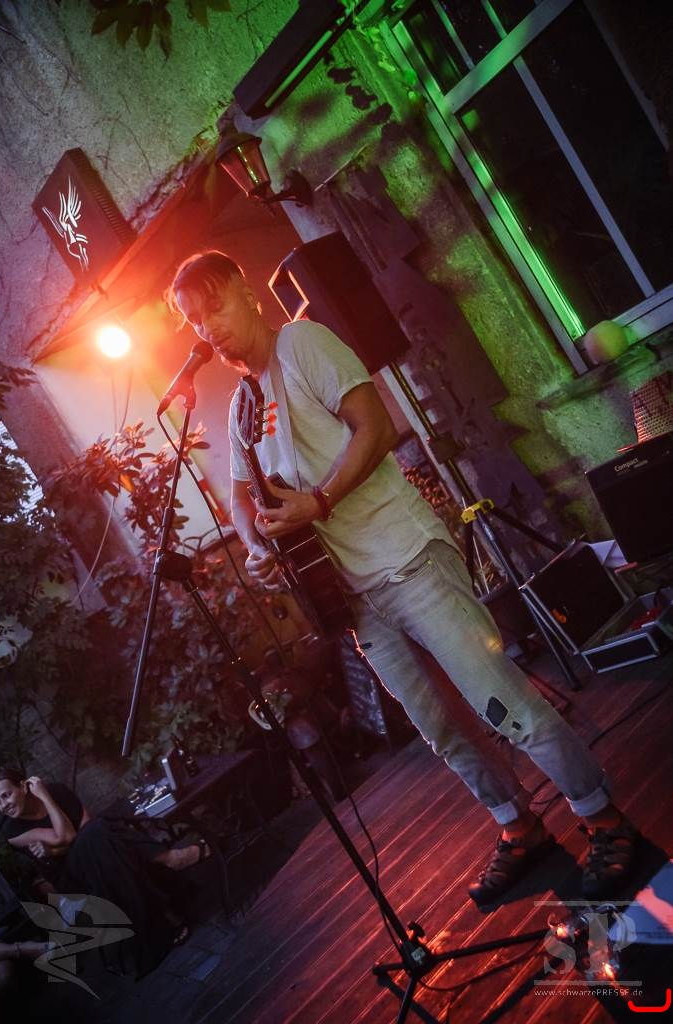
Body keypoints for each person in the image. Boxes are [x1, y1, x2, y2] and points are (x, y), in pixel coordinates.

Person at [164, 250, 638, 905]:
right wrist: (255, 542)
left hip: (408, 558)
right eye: (194, 320)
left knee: (500, 702)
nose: (207, 327)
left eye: (213, 305)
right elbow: (241, 496)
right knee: (440, 730)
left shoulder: (302, 344)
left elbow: (376, 425)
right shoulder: (243, 403)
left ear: (246, 294)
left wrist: (319, 502)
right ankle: (516, 826)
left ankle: (603, 818)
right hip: (355, 599)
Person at [0, 769, 209, 974]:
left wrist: (55, 848)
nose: (3, 805)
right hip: (71, 876)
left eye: (6, 795)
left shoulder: (57, 790)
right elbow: (68, 835)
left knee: (98, 837)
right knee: (99, 836)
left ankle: (163, 920)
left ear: (24, 786)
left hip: (100, 853)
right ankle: (171, 859)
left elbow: (85, 824)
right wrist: (46, 798)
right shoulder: (13, 832)